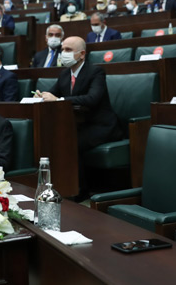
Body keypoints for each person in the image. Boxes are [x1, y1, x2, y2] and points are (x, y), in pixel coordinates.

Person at [37, 36, 122, 198]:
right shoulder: (64, 75)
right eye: (62, 50)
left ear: (82, 54)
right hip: (79, 125)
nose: (63, 53)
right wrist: (42, 96)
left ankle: (79, 191)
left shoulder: (95, 72)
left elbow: (92, 99)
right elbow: (52, 94)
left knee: (70, 142)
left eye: (68, 50)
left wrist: (60, 100)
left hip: (101, 126)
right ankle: (60, 185)